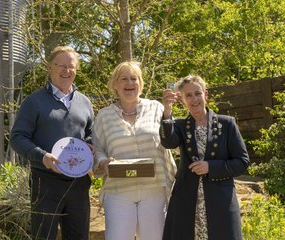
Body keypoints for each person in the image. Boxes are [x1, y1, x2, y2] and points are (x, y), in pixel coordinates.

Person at [10, 46, 94, 240]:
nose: (67, 71)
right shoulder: (34, 102)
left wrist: (92, 147)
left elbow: (90, 135)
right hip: (45, 181)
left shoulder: (84, 102)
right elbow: (17, 138)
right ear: (50, 67)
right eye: (61, 66)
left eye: (71, 66)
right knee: (44, 236)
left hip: (79, 183)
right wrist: (43, 156)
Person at [92, 61, 177, 240]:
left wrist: (168, 112)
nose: (129, 83)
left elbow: (173, 141)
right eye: (124, 79)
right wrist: (103, 161)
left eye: (134, 78)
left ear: (140, 83)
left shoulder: (157, 108)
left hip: (154, 190)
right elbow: (98, 149)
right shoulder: (104, 116)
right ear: (115, 85)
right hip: (118, 192)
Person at [160, 74, 250, 240]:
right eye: (188, 95)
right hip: (186, 201)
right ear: (182, 100)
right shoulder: (179, 125)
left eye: (197, 93)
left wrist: (211, 167)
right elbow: (168, 143)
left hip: (220, 201)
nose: (194, 99)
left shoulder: (227, 124)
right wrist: (167, 112)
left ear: (205, 95)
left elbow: (242, 162)